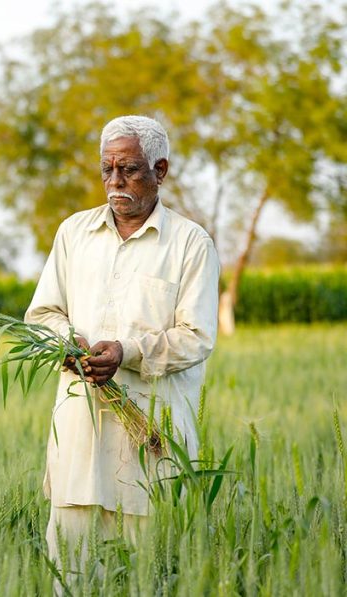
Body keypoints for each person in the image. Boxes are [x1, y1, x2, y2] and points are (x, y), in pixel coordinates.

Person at [24, 115, 220, 585]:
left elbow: (196, 336)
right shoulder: (73, 234)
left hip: (151, 439)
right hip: (79, 438)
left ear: (161, 170)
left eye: (129, 169)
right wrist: (65, 344)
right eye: (107, 169)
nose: (115, 181)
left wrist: (126, 352)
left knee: (145, 576)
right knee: (70, 576)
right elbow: (42, 314)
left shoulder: (191, 244)